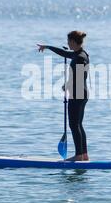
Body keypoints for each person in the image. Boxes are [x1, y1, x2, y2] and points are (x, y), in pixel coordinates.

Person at [37, 31, 89, 161]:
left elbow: (79, 76)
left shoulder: (80, 57)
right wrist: (47, 47)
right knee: (78, 125)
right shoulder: (81, 54)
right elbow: (64, 53)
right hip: (81, 93)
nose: (67, 44)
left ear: (73, 41)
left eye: (68, 41)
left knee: (74, 125)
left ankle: (78, 155)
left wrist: (67, 85)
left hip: (78, 94)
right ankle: (83, 155)